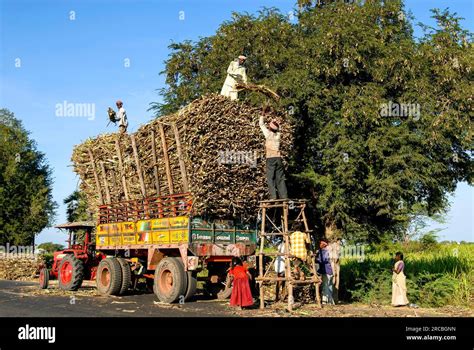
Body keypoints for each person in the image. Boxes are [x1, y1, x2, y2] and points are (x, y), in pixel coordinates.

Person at [259, 106, 288, 199]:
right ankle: (284, 197)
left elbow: (261, 124)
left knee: (270, 178)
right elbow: (279, 129)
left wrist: (263, 114)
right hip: (278, 159)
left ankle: (273, 197)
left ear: (270, 128)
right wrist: (277, 122)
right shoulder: (278, 136)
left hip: (270, 159)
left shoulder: (268, 134)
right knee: (280, 178)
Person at [317, 239, 334, 305]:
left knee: (325, 287)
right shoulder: (328, 251)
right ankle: (330, 302)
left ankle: (324, 302)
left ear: (322, 245)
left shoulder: (322, 251)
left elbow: (322, 261)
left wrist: (316, 259)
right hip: (330, 271)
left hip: (326, 271)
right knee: (329, 287)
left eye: (320, 244)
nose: (319, 245)